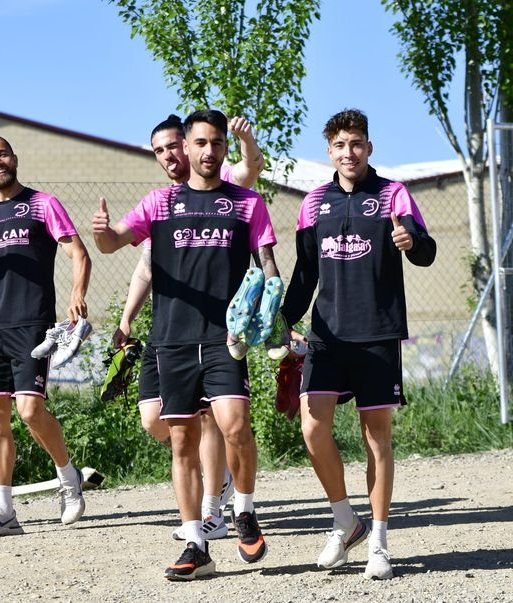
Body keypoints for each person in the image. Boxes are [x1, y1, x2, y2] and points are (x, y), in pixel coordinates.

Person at [93, 109, 279, 581]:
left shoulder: (245, 203)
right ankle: (196, 544)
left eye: (216, 142)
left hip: (224, 339)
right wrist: (103, 234)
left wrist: (272, 317)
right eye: (200, 142)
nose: (208, 151)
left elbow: (269, 268)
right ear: (187, 147)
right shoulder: (159, 203)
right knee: (180, 441)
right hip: (172, 341)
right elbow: (114, 244)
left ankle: (244, 509)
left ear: (223, 148)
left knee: (235, 427)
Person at [280, 108, 437, 580]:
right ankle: (346, 522)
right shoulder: (313, 203)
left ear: (369, 147)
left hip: (377, 333)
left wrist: (412, 241)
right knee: (312, 428)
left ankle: (380, 544)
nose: (349, 152)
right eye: (340, 145)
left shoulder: (393, 194)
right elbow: (305, 273)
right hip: (326, 336)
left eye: (356, 144)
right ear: (329, 151)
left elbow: (427, 252)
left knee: (376, 437)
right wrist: (282, 322)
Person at [0, 135, 92, 537]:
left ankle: (68, 478)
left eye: (2, 154)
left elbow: (79, 253)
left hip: (33, 326)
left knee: (29, 411)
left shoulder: (42, 204)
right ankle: (5, 511)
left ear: (14, 159)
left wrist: (77, 293)